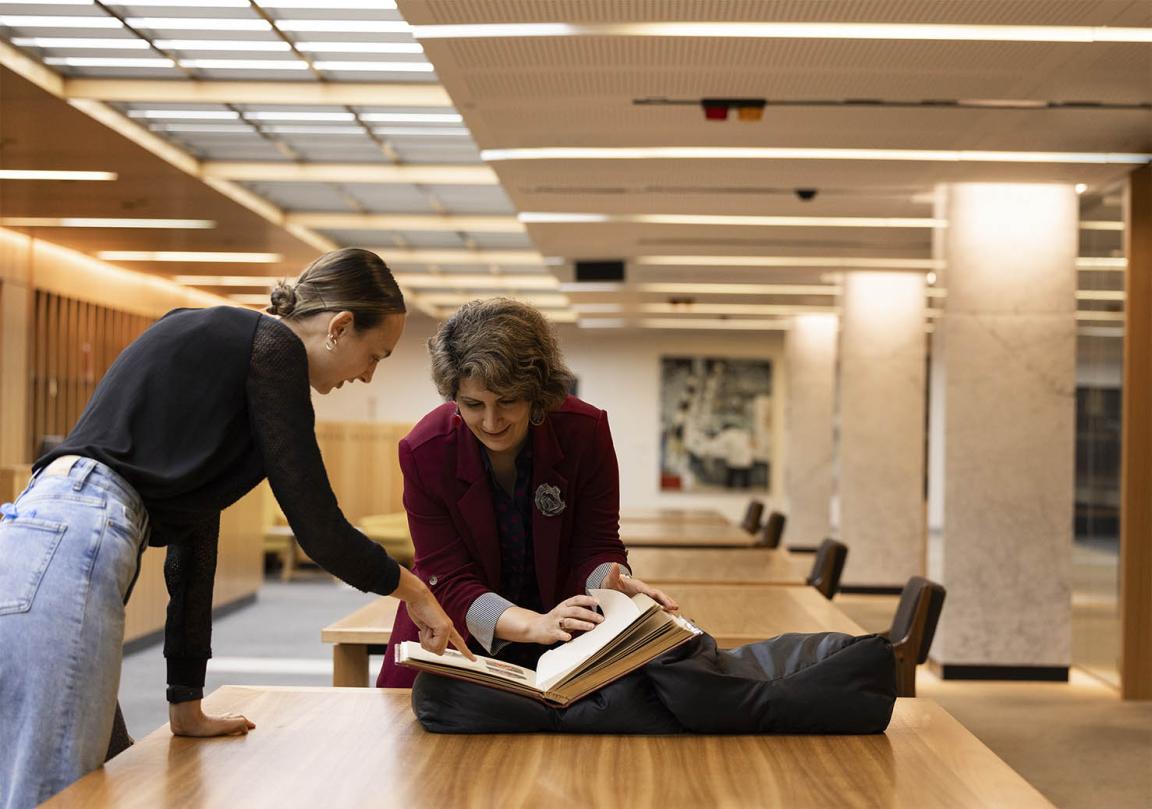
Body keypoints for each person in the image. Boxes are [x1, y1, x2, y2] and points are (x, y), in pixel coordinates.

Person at [0, 248, 470, 809]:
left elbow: (193, 545)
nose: (367, 375)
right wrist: (414, 590)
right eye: (375, 355)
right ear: (340, 327)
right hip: (78, 531)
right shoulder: (273, 351)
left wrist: (184, 699)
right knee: (56, 789)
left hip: (47, 530)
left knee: (108, 767)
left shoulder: (225, 345)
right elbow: (318, 527)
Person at [377, 298, 676, 688]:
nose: (490, 421)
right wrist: (533, 624)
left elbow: (596, 545)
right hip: (457, 642)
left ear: (535, 392)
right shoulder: (425, 451)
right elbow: (448, 578)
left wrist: (609, 583)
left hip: (563, 643)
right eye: (472, 404)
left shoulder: (584, 432)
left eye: (507, 401)